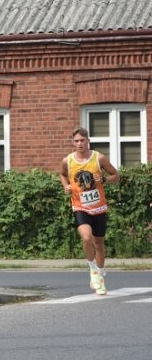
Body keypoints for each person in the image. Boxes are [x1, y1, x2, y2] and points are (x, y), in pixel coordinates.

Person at [59, 127, 119, 296]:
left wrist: (104, 179)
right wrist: (66, 186)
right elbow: (62, 174)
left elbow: (116, 176)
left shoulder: (99, 158)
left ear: (88, 141)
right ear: (72, 143)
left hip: (98, 207)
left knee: (98, 242)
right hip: (80, 206)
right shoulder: (67, 161)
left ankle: (100, 275)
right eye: (76, 141)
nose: (79, 144)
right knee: (86, 237)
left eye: (82, 140)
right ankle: (93, 269)